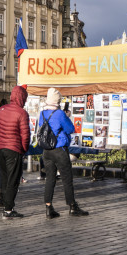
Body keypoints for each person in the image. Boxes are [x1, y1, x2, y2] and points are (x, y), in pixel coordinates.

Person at [38, 88, 89, 219]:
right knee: (67, 179)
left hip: (46, 151)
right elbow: (70, 129)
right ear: (57, 101)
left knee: (50, 179)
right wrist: (66, 117)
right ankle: (72, 206)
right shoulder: (60, 114)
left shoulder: (42, 113)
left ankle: (48, 207)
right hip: (59, 150)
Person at [0, 85, 31, 219]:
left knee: (5, 178)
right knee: (13, 180)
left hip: (1, 148)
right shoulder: (22, 113)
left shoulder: (1, 110)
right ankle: (8, 210)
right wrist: (23, 149)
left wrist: (3, 139)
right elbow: (25, 135)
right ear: (22, 97)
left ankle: (6, 205)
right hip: (14, 149)